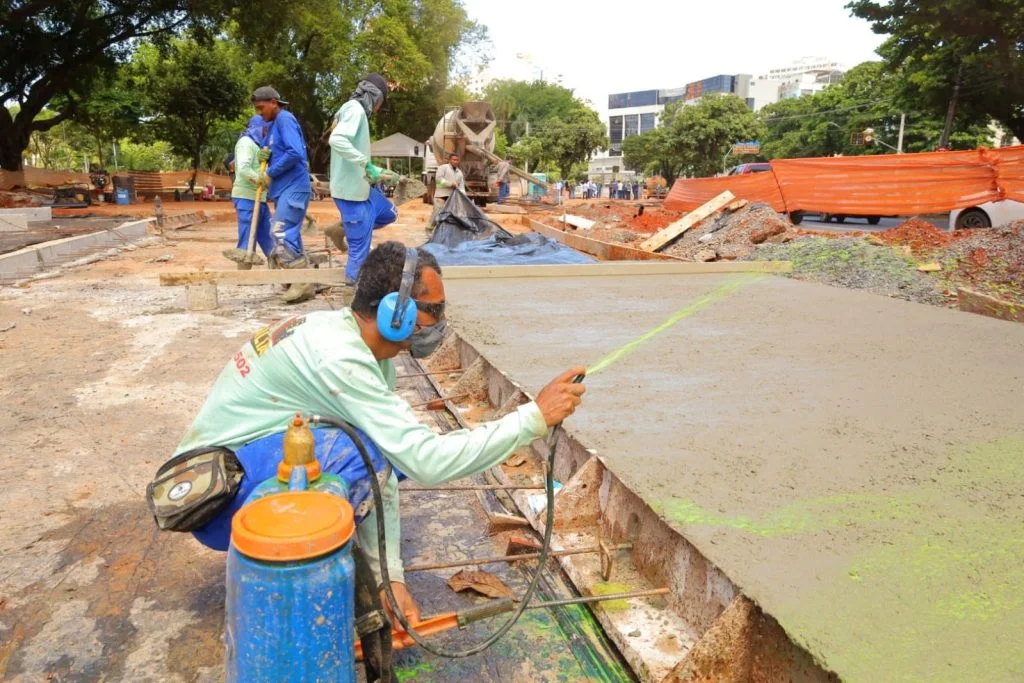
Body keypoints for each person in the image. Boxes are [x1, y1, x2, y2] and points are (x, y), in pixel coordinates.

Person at [168, 240, 587, 631]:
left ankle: (316, 549)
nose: (438, 323)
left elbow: (388, 469)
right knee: (365, 453)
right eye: (433, 310)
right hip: (216, 502)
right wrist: (533, 418)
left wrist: (392, 578)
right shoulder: (341, 357)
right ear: (395, 310)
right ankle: (299, 592)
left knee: (380, 451)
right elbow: (426, 461)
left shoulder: (353, 340)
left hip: (229, 471)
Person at [327, 73, 400, 286]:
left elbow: (350, 150)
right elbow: (337, 139)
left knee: (390, 213)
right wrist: (365, 164)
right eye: (380, 104)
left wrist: (376, 171)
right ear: (375, 97)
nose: (377, 109)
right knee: (359, 254)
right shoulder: (354, 110)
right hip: (351, 194)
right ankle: (353, 298)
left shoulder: (349, 111)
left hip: (361, 188)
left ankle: (342, 228)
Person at [252, 86, 314, 303]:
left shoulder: (285, 119)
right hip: (285, 189)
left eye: (261, 108)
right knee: (291, 235)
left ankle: (302, 283)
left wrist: (270, 172)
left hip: (294, 187)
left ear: (273, 102)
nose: (260, 113)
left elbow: (295, 153)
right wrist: (265, 154)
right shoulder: (274, 125)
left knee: (281, 232)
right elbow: (281, 151)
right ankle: (297, 279)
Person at [222, 117, 273, 269]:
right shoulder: (246, 143)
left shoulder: (259, 145)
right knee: (247, 232)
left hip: (259, 196)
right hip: (246, 196)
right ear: (257, 128)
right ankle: (243, 269)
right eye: (265, 129)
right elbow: (243, 169)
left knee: (267, 233)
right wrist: (259, 180)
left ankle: (276, 261)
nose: (267, 132)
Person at [432, 153, 465, 225]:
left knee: (449, 215)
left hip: (451, 198)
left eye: (457, 160)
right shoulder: (443, 168)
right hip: (440, 196)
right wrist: (450, 184)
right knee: (437, 213)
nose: (456, 161)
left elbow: (461, 186)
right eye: (454, 160)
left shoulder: (459, 172)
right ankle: (430, 228)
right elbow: (439, 180)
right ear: (450, 160)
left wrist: (463, 196)